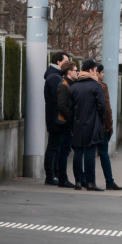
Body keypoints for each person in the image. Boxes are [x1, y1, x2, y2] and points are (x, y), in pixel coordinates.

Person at [68, 59, 107, 190]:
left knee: (78, 152)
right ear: (91, 70)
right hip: (93, 123)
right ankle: (90, 182)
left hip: (77, 124)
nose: (96, 73)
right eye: (96, 71)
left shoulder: (74, 87)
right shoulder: (96, 86)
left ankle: (78, 181)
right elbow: (102, 107)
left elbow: (70, 108)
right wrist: (100, 121)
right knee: (90, 153)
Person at [92, 63, 122, 190]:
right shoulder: (102, 87)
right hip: (102, 126)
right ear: (96, 72)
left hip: (87, 125)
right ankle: (109, 181)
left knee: (87, 153)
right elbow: (107, 109)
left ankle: (85, 180)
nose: (104, 75)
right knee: (104, 154)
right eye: (102, 72)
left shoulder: (80, 83)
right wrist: (109, 127)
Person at [43, 51, 70, 185]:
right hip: (55, 118)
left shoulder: (55, 76)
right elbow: (57, 99)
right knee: (53, 147)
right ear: (58, 62)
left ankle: (54, 175)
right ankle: (50, 176)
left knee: (55, 147)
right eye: (65, 61)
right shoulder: (54, 77)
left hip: (55, 117)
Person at [51, 60, 79, 188]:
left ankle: (64, 178)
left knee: (66, 150)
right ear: (69, 72)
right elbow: (62, 105)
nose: (77, 72)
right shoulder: (64, 85)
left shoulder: (69, 83)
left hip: (67, 122)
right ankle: (63, 178)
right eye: (75, 70)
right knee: (64, 151)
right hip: (65, 123)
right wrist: (71, 118)